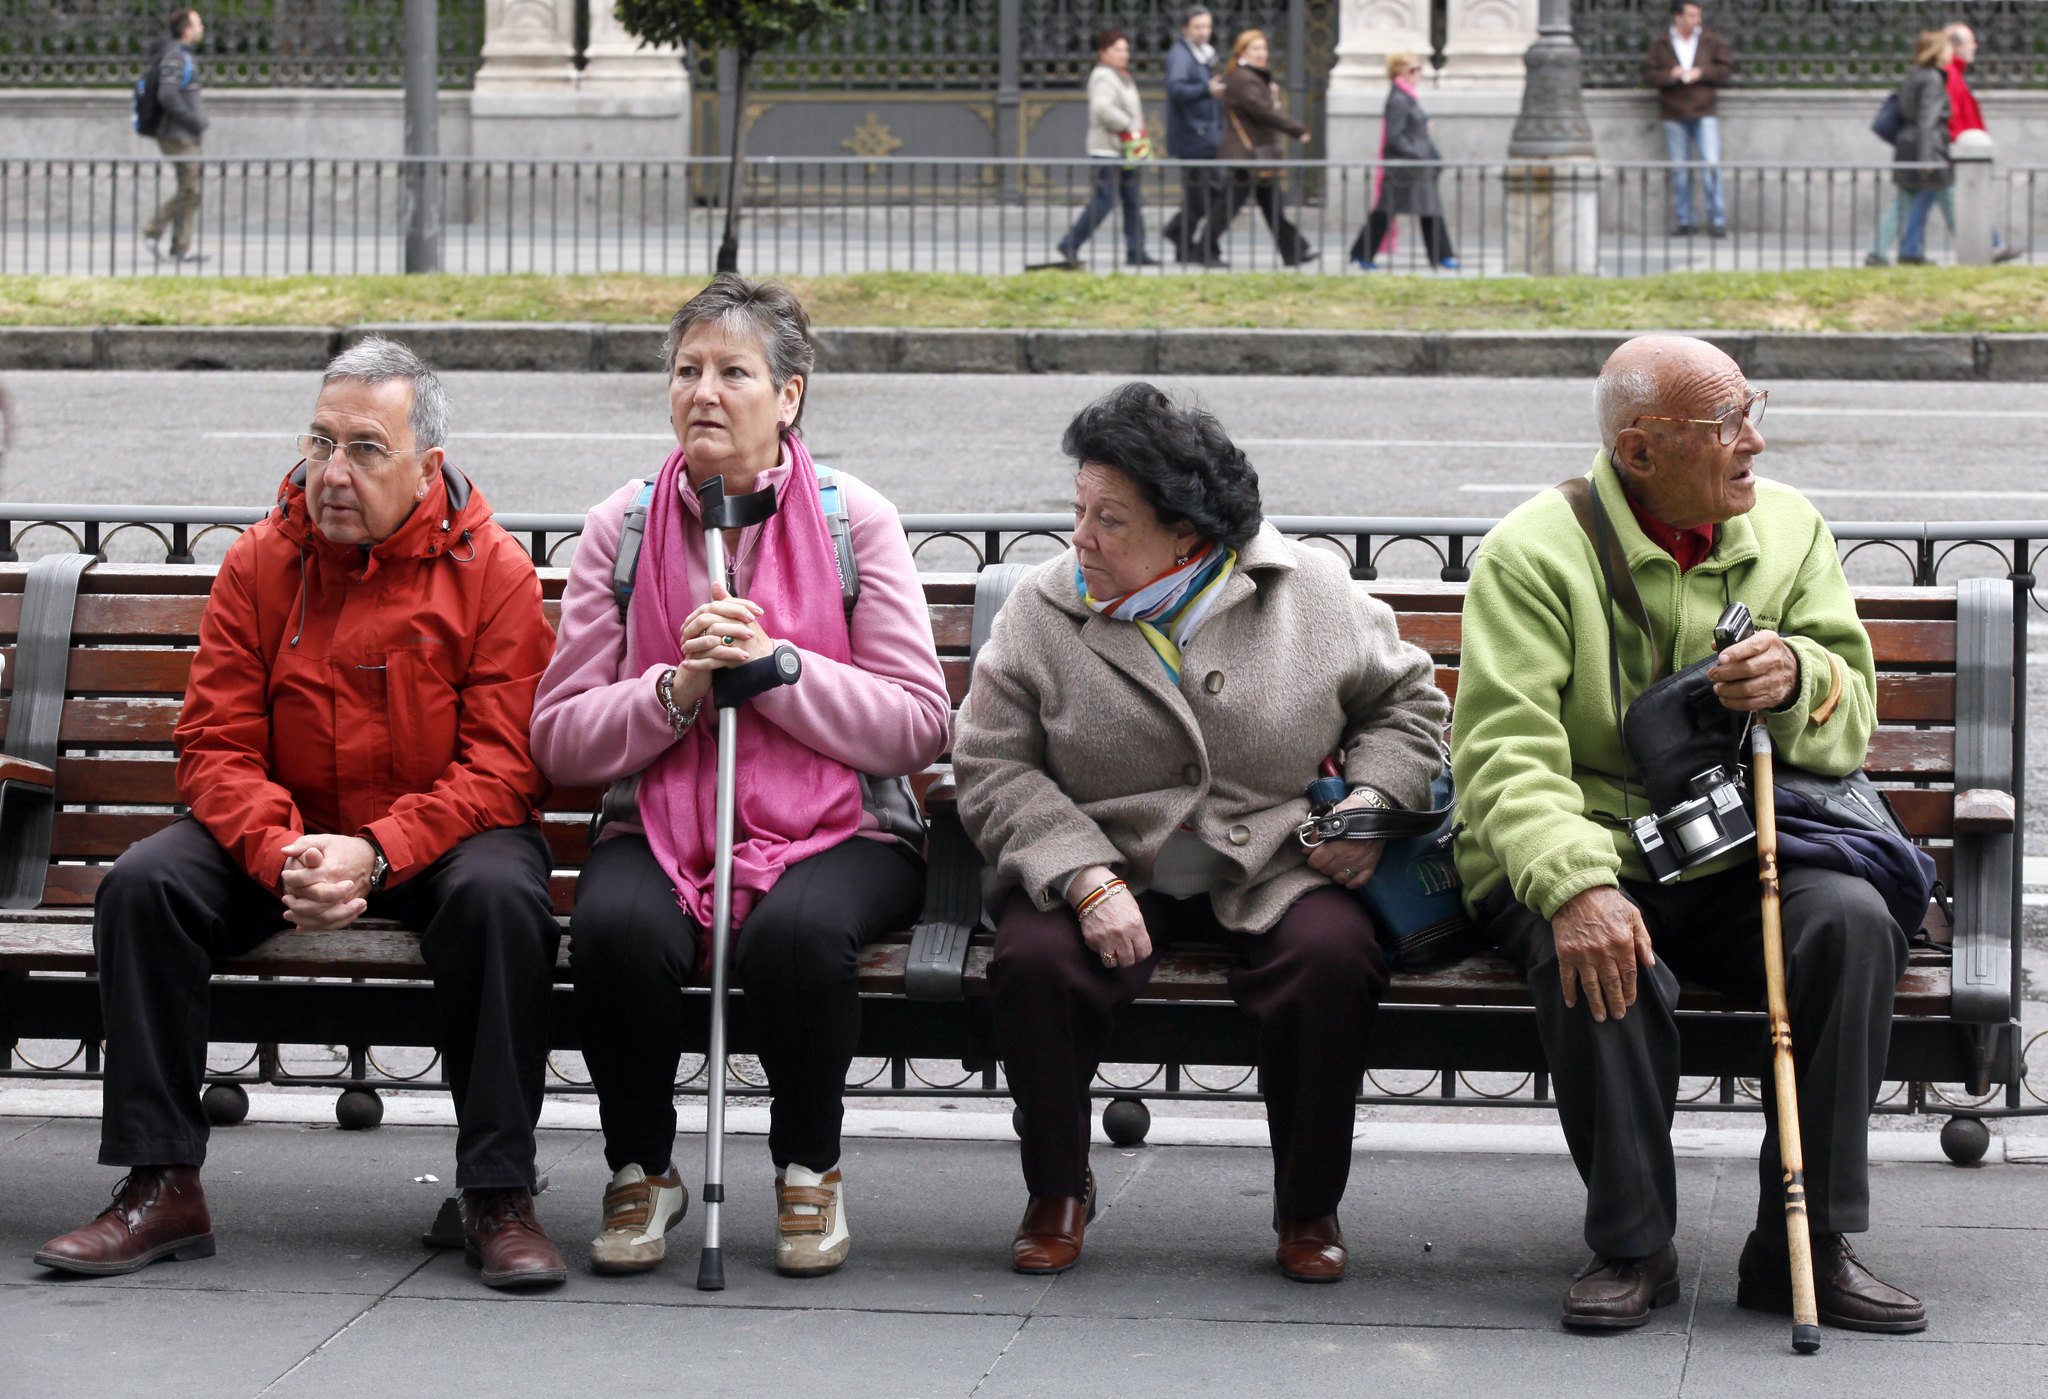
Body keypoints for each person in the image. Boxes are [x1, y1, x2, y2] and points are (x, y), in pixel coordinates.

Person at [34, 337, 568, 1289]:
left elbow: (502, 765)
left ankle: (497, 1193)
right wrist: (284, 853)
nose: (332, 471)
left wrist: (377, 851)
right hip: (286, 839)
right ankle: (162, 1184)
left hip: (439, 842)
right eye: (321, 442)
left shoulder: (490, 571)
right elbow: (215, 745)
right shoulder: (260, 559)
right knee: (146, 885)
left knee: (502, 898)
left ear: (426, 467)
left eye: (366, 449)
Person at [1451, 334, 1927, 1336]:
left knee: (1847, 923)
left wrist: (1797, 677)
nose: (1753, 438)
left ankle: (1805, 1243)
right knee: (1603, 949)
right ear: (1638, 451)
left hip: (1726, 849)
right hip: (1573, 850)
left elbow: (1850, 718)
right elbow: (1502, 755)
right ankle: (1630, 1243)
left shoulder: (1789, 529)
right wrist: (1578, 884)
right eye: (1726, 424)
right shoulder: (1532, 551)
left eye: (1751, 409)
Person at [954, 382, 1448, 1283]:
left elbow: (1409, 705)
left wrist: (1371, 802)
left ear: (1186, 535)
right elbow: (991, 765)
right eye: (1079, 511)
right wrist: (1083, 876)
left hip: (1273, 858)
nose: (1082, 540)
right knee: (1035, 960)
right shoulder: (1043, 607)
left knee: (1332, 957)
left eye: (1111, 521)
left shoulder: (1309, 593)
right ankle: (1057, 1189)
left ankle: (1307, 1204)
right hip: (1104, 861)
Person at [531, 274, 949, 1279]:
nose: (702, 393)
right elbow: (559, 738)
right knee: (618, 927)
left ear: (788, 394)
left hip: (847, 826)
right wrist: (674, 691)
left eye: (732, 372)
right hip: (664, 824)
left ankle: (808, 1167)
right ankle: (641, 1165)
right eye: (685, 372)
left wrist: (777, 672)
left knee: (801, 936)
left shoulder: (858, 519)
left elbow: (916, 723)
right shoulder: (621, 527)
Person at [1054, 29, 1160, 270]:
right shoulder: (1103, 76)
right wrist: (1128, 123)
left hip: (1126, 150)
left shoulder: (1121, 75)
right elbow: (1101, 109)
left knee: (1133, 200)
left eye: (1125, 49)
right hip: (1108, 149)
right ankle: (1070, 243)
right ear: (1103, 53)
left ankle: (1137, 250)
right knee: (1104, 201)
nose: (1124, 54)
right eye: (1117, 50)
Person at [1209, 30, 1317, 266]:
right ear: (1242, 52)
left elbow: (1263, 109)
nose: (1261, 53)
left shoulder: (1253, 77)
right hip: (1247, 154)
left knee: (1271, 205)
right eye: (1255, 48)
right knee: (1230, 206)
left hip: (1256, 153)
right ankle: (1204, 249)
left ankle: (1294, 250)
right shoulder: (1244, 78)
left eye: (1263, 48)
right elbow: (1262, 111)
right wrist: (1296, 129)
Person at [1348, 51, 1458, 272]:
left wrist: (1424, 124)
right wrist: (1419, 153)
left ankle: (1443, 255)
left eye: (1419, 69)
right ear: (1399, 72)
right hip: (1404, 169)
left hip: (1415, 168)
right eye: (1412, 70)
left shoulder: (1407, 96)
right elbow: (1394, 137)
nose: (1417, 74)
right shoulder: (1398, 98)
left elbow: (1411, 126)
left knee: (1429, 210)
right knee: (1386, 212)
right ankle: (1362, 253)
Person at [1641, 2, 1732, 238]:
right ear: (1678, 17)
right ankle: (1685, 219)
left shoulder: (1710, 40)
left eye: (1698, 16)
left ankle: (1717, 219)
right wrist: (1672, 75)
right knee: (1680, 169)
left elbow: (1724, 68)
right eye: (1691, 16)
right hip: (1674, 110)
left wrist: (1701, 72)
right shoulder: (1662, 43)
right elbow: (1648, 74)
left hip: (1703, 109)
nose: (1696, 21)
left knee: (1711, 165)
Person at [1160, 7, 1228, 266]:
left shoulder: (1203, 56)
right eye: (1198, 27)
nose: (1203, 32)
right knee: (1205, 196)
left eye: (1207, 27)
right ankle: (1191, 243)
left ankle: (1182, 241)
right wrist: (1206, 89)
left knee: (1202, 197)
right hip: (1193, 137)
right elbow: (1177, 89)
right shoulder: (1181, 55)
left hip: (1205, 135)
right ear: (1185, 28)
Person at [142, 8, 208, 264]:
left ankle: (180, 247)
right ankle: (154, 230)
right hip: (177, 134)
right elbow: (167, 95)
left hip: (185, 133)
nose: (202, 29)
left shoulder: (182, 56)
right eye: (198, 24)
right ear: (186, 29)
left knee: (191, 189)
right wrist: (195, 121)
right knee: (190, 188)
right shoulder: (175, 57)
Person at [1891, 31, 1954, 266]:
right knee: (1947, 198)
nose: (1951, 52)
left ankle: (1908, 250)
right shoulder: (1933, 79)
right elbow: (1927, 119)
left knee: (1919, 200)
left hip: (1910, 143)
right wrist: (1926, 158)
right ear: (1937, 51)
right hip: (1928, 148)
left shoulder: (1915, 75)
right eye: (1948, 48)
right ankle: (1985, 248)